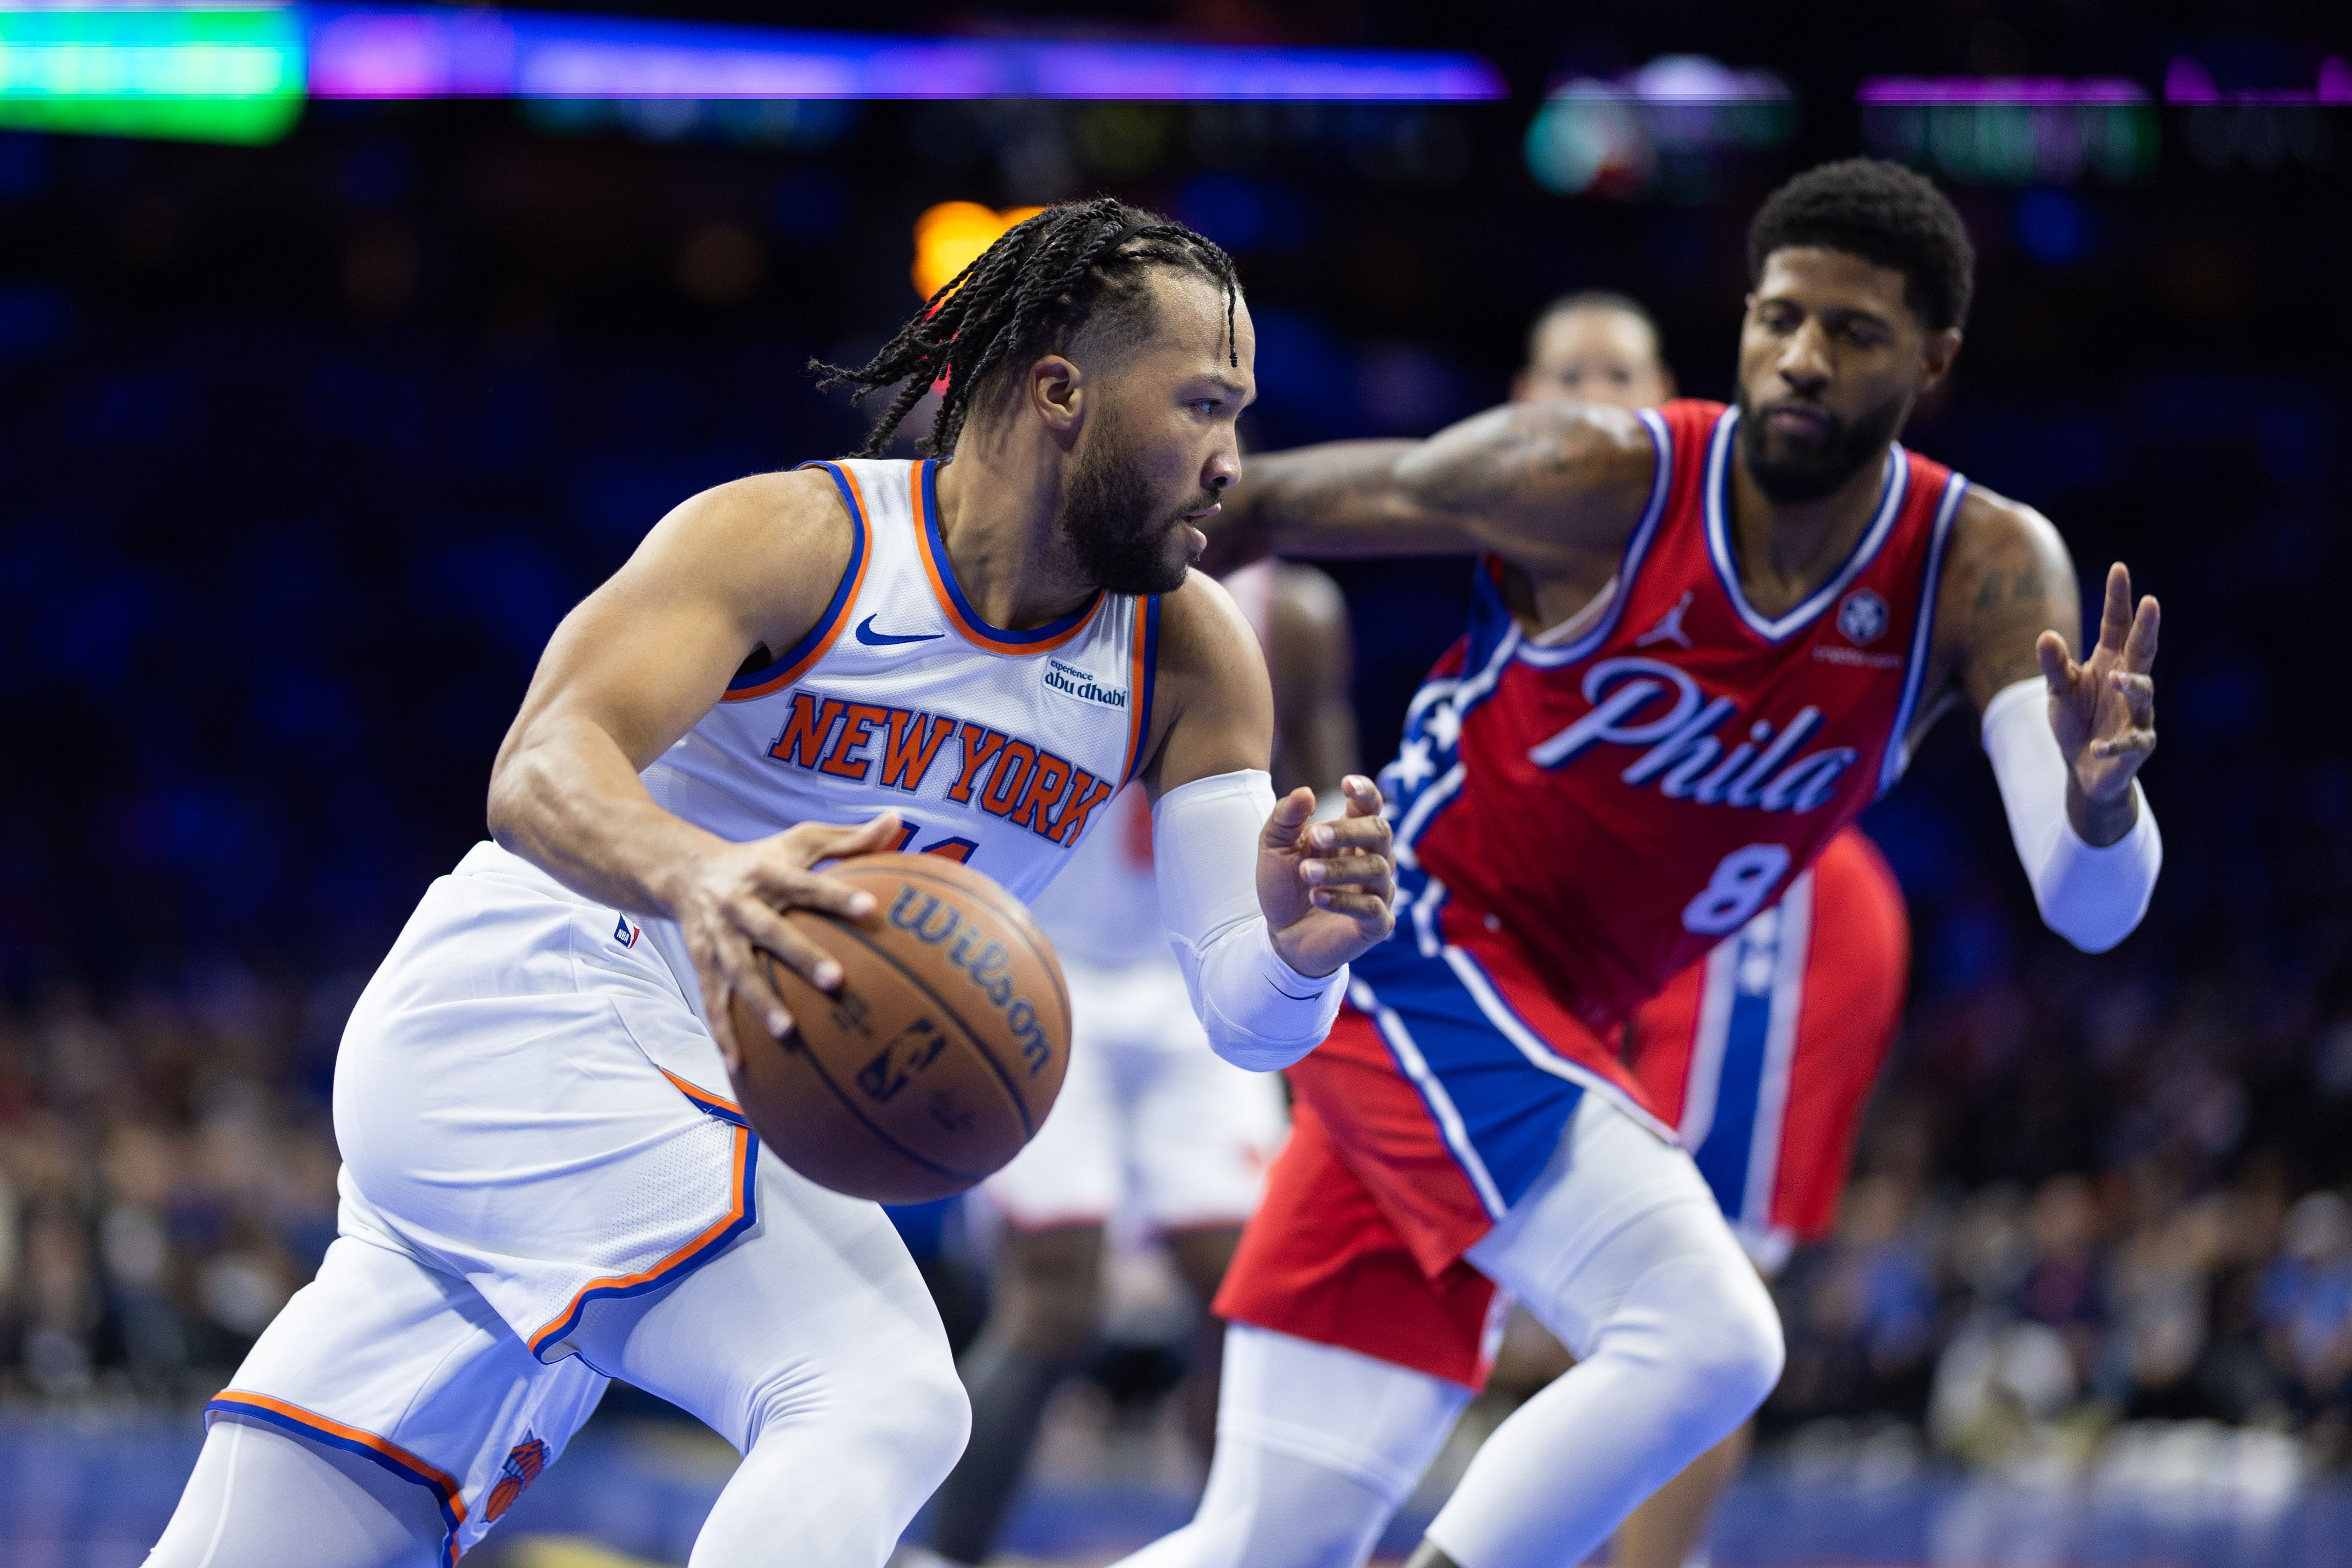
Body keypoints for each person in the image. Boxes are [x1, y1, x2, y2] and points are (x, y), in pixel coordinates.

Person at [144, 198, 1403, 1568]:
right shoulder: (801, 541)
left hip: (691, 1102)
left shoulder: (1193, 653)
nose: (1231, 464)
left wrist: (1296, 947)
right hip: (543, 1012)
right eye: (1205, 408)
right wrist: (704, 875)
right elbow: (539, 767)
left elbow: (1247, 1017)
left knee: (319, 1515)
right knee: (877, 1394)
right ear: (1061, 392)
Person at [1115, 158, 2164, 1568]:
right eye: (1779, 318)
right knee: (1712, 1333)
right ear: (1741, 322)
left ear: (1934, 359)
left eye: (1852, 334)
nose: (1802, 358)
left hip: (1541, 1010)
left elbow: (2085, 903)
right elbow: (1271, 500)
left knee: (1262, 1545)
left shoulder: (1980, 567)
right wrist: (1016, 581)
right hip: (1411, 948)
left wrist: (2102, 806)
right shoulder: (1605, 475)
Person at [1502, 289, 1917, 1568]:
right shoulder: (1493, 533)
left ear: (1673, 402)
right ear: (1517, 404)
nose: (1587, 392)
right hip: (1579, 931)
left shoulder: (1711, 505)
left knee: (1697, 1296)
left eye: (1616, 369)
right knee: (1523, 1281)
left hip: (1756, 910)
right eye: (1561, 368)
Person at [920, 558, 1358, 1566]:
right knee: (1055, 1304)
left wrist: (1343, 843)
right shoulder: (1028, 578)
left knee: (1242, 1292)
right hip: (1034, 966)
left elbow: (1330, 774)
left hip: (1196, 976)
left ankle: (1234, 1550)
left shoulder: (1287, 613)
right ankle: (939, 1556)